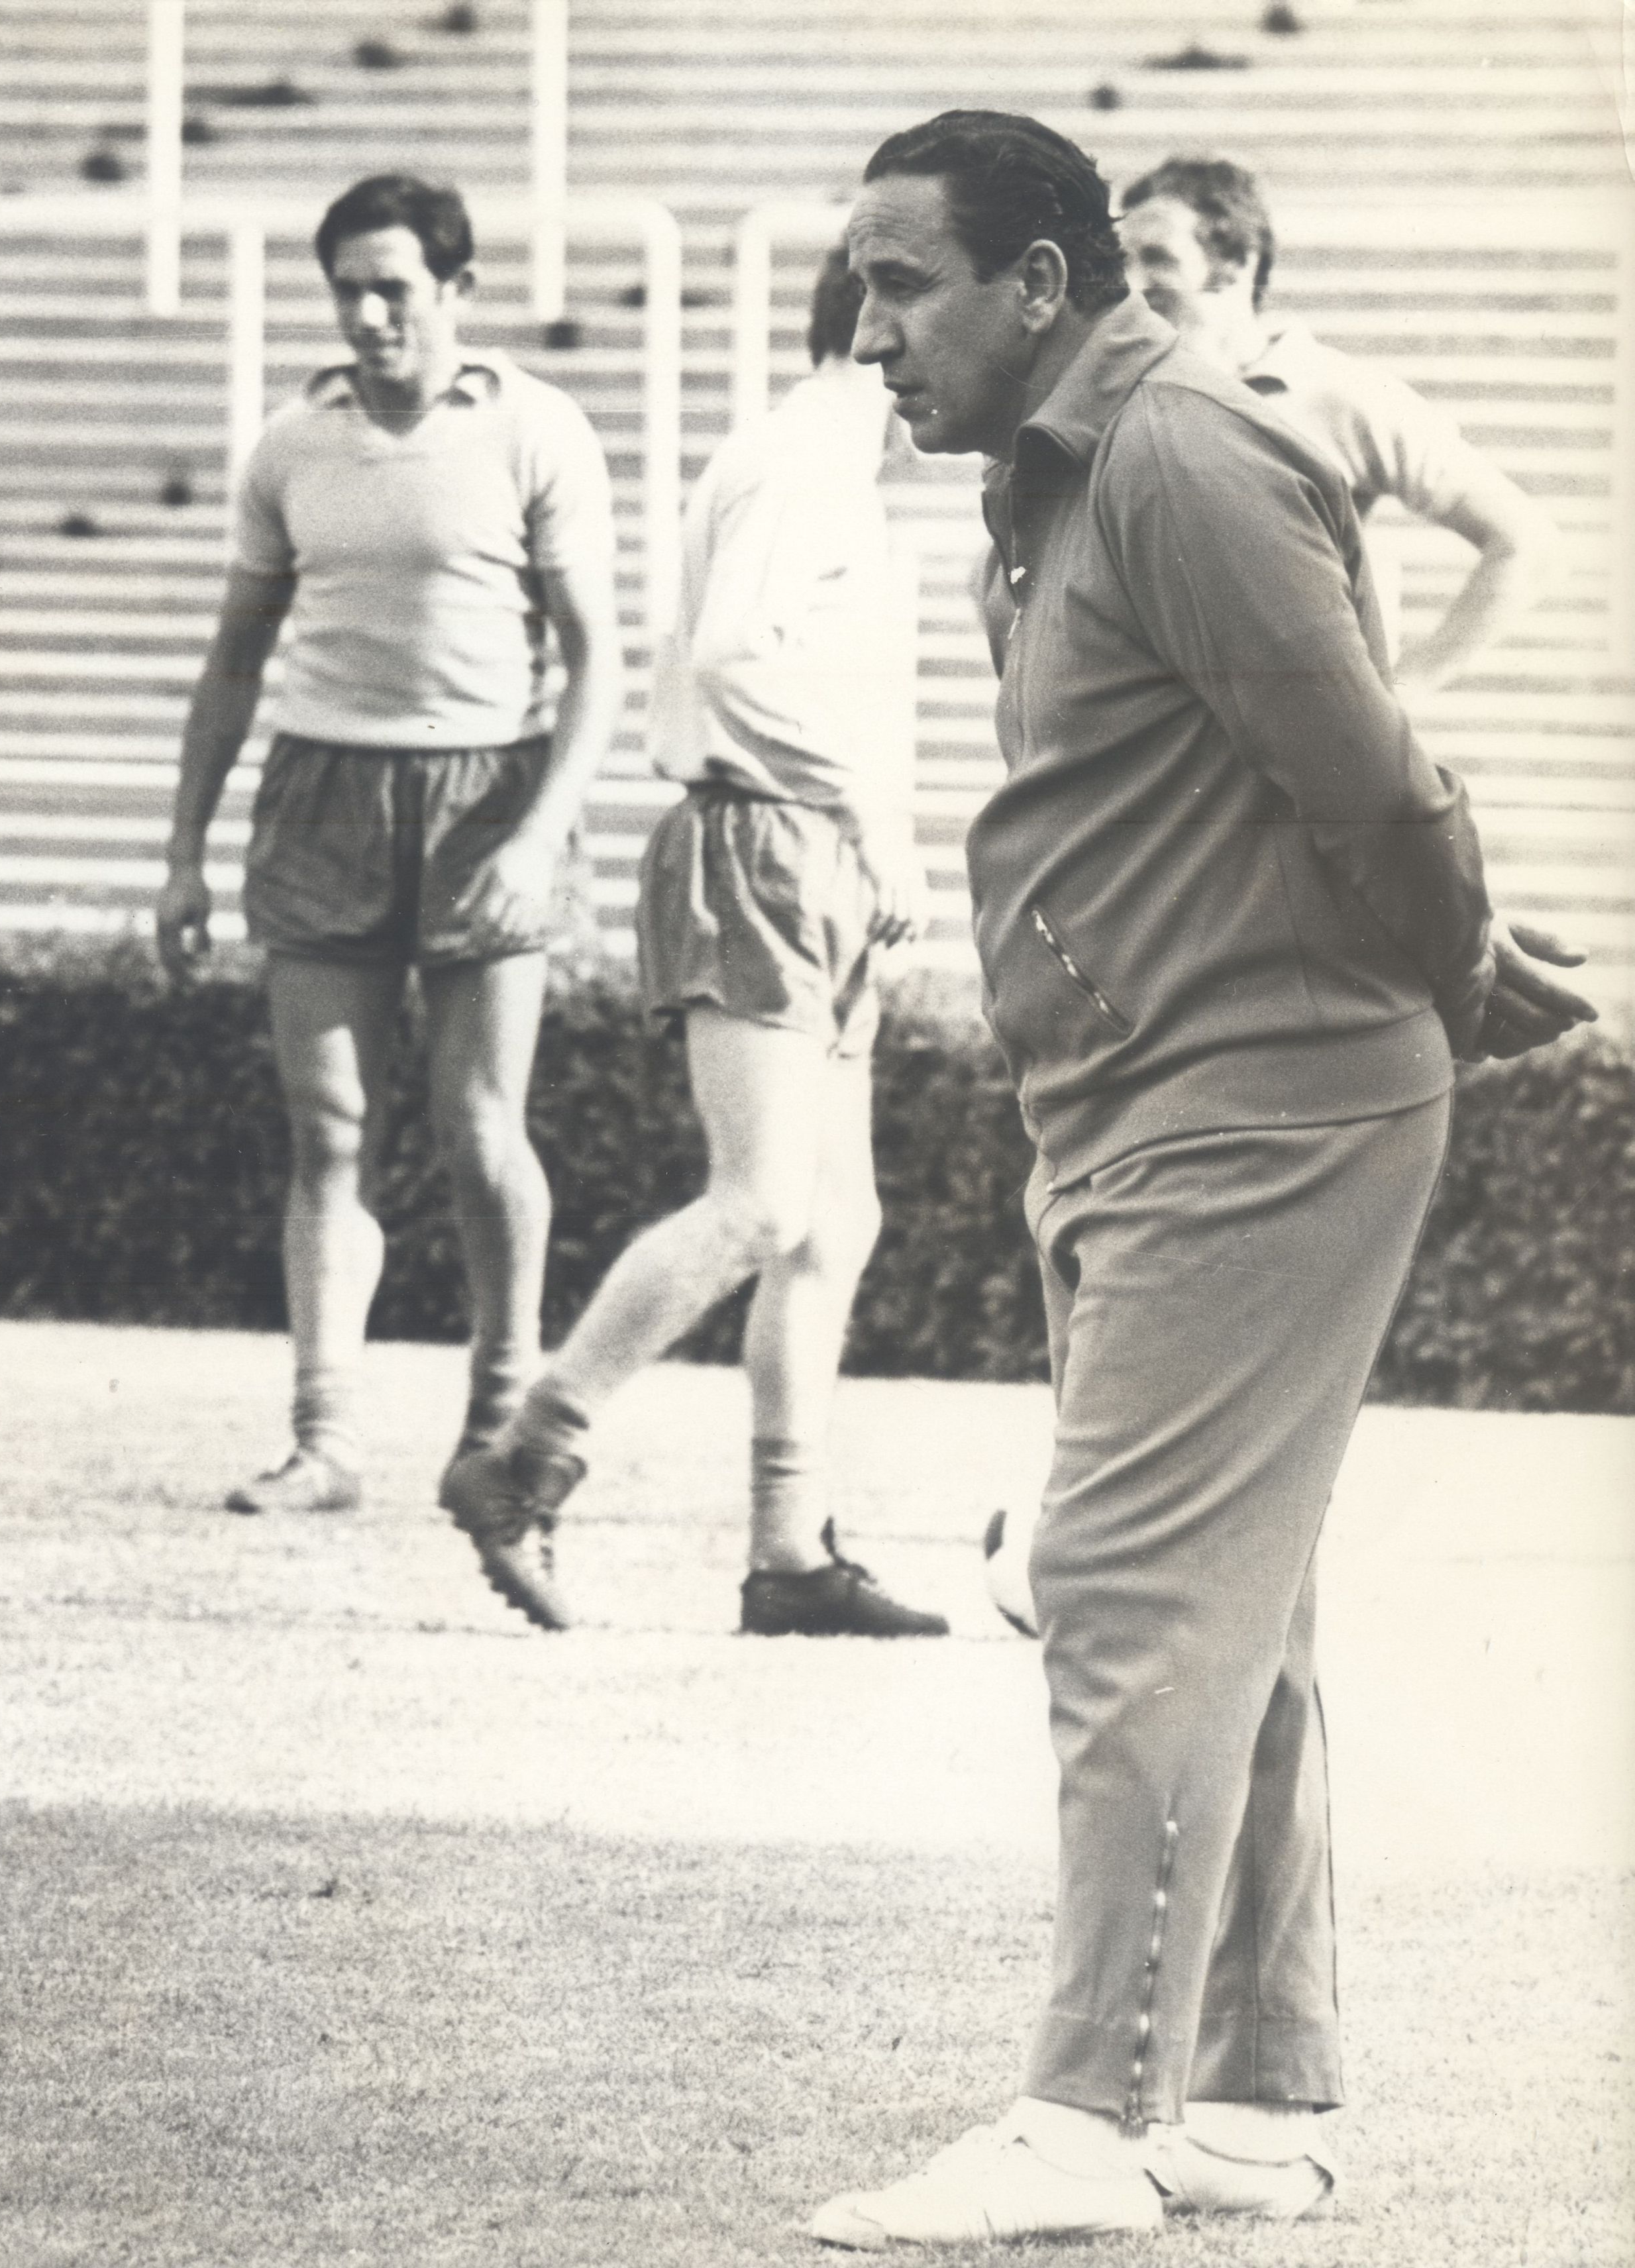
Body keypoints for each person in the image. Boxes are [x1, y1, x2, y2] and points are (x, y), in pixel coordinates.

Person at [798, 111, 1595, 2249]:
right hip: (1146, 1103)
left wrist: (1454, 967)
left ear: (1041, 287)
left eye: (899, 285)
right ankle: (1252, 2100)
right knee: (1230, 1607)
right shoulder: (1067, 470)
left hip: (1255, 1105)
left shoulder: (1184, 456)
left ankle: (1085, 2119)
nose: (864, 332)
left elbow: (1377, 775)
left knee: (1130, 1593)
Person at [439, 250, 947, 1639]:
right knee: (763, 1202)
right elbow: (732, 659)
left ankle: (788, 1554)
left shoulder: (836, 469)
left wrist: (871, 834)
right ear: (883, 323)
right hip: (762, 839)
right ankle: (525, 1455)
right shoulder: (800, 462)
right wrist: (869, 823)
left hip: (813, 848)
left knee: (833, 1220)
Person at [156, 172, 623, 1519]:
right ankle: (324, 1439)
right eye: (346, 292)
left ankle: (501, 1422)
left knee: (478, 1127)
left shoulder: (534, 428)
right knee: (330, 1128)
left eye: (393, 290)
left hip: (486, 792)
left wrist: (538, 832)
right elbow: (232, 660)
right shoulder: (291, 444)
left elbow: (594, 658)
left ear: (456, 291)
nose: (367, 317)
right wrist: (183, 851)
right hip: (324, 790)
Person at [1116, 154, 1552, 694]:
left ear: (1238, 262)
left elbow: (1526, 544)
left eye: (1157, 259)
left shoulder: (1335, 391)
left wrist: (1401, 694)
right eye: (1122, 262)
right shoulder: (1121, 395)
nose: (1130, 285)